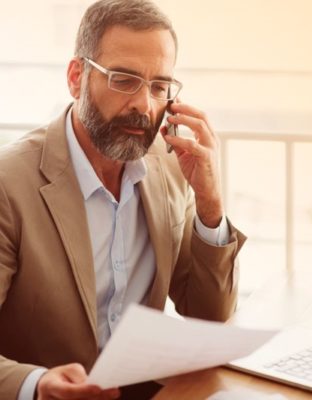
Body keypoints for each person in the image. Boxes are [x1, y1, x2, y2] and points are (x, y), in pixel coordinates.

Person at [0, 0, 246, 399]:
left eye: (159, 86)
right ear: (76, 77)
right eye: (124, 80)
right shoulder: (9, 184)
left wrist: (210, 203)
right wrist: (37, 385)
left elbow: (208, 316)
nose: (144, 105)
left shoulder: (169, 169)